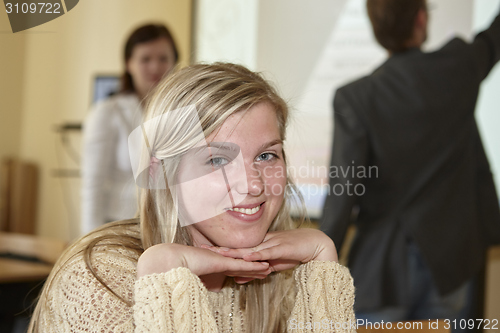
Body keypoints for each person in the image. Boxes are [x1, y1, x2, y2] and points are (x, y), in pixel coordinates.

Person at [29, 63, 356, 333]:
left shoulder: (286, 275)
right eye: (217, 160)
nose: (252, 185)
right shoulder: (100, 279)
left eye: (267, 156)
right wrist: (165, 280)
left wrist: (323, 258)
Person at [320, 0, 500, 328]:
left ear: (376, 29)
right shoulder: (459, 67)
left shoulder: (356, 97)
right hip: (449, 263)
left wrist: (316, 268)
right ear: (420, 18)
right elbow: (494, 38)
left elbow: (342, 194)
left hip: (382, 271)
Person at [81, 23, 179, 234]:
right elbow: (91, 186)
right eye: (145, 59)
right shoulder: (107, 112)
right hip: (118, 228)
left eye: (163, 58)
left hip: (169, 229)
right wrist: (88, 241)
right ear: (129, 63)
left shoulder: (182, 114)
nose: (155, 67)